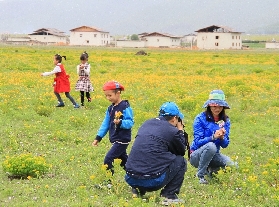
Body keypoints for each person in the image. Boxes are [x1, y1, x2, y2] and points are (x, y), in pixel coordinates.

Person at [125, 102, 187, 206]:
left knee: (147, 155)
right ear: (175, 118)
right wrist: (180, 130)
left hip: (130, 177)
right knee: (180, 161)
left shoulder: (147, 123)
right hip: (153, 181)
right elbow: (181, 151)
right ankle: (169, 195)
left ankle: (137, 190)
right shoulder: (172, 130)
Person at [189, 89, 235, 184]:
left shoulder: (226, 120)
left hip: (214, 155)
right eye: (214, 106)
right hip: (196, 155)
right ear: (209, 105)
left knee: (233, 166)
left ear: (223, 106)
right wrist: (213, 137)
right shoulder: (200, 119)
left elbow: (225, 145)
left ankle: (211, 171)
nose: (217, 109)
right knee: (211, 146)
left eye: (219, 106)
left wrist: (222, 137)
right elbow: (197, 142)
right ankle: (200, 175)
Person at [92, 80, 134, 177]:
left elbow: (130, 122)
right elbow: (105, 124)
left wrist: (121, 123)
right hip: (115, 139)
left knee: (108, 158)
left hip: (122, 139)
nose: (108, 98)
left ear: (118, 93)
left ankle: (108, 182)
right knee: (124, 162)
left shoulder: (125, 107)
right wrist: (98, 137)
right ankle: (136, 178)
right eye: (106, 95)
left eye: (110, 95)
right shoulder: (110, 108)